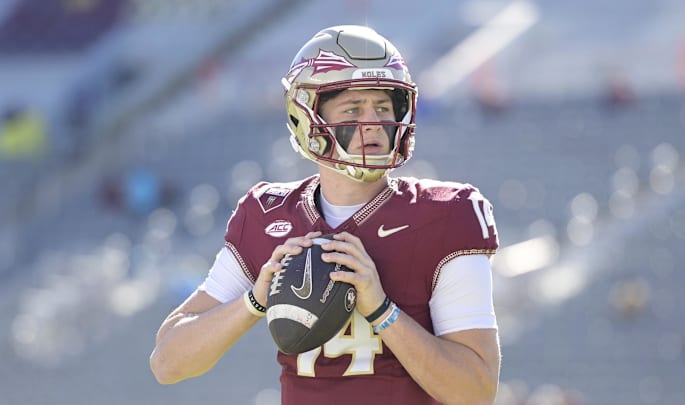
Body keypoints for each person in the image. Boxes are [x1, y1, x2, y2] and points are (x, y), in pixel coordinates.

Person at [150, 25, 501, 404]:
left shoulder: (446, 213)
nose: (375, 124)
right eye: (354, 109)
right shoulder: (267, 215)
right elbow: (167, 363)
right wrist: (253, 301)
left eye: (383, 107)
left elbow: (476, 391)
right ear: (309, 118)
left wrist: (383, 311)